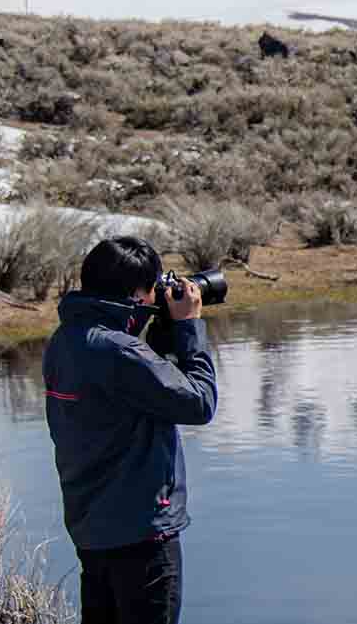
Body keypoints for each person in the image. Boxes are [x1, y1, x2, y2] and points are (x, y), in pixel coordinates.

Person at [43, 236, 218, 624]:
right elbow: (198, 403)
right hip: (143, 535)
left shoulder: (65, 342)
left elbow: (136, 389)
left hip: (93, 530)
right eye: (154, 286)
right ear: (138, 294)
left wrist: (156, 330)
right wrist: (189, 328)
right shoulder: (120, 352)